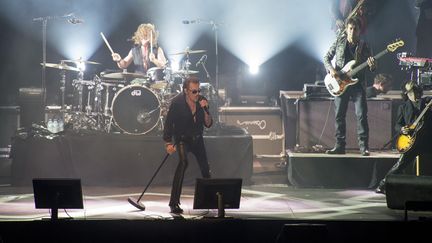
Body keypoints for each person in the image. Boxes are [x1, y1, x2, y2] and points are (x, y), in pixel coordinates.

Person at [323, 17, 377, 156]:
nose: (352, 32)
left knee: (361, 115)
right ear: (346, 29)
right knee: (339, 115)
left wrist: (372, 65)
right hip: (340, 82)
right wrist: (331, 70)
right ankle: (339, 146)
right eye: (350, 29)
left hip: (358, 84)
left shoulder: (365, 45)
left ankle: (364, 147)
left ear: (360, 31)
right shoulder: (339, 41)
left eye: (355, 29)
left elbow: (372, 67)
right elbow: (326, 58)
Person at [163, 76, 213, 214]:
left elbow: (208, 123)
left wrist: (205, 110)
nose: (197, 94)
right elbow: (169, 123)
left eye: (198, 91)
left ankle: (209, 199)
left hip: (197, 138)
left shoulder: (202, 101)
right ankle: (173, 203)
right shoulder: (177, 103)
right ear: (186, 91)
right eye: (194, 92)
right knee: (183, 163)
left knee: (205, 168)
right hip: (182, 139)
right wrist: (168, 142)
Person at [376, 81, 432, 193]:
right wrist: (402, 129)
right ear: (407, 94)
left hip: (427, 140)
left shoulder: (427, 102)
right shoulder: (403, 107)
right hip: (412, 141)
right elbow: (397, 125)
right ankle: (383, 185)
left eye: (416, 92)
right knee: (400, 164)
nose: (414, 95)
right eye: (411, 93)